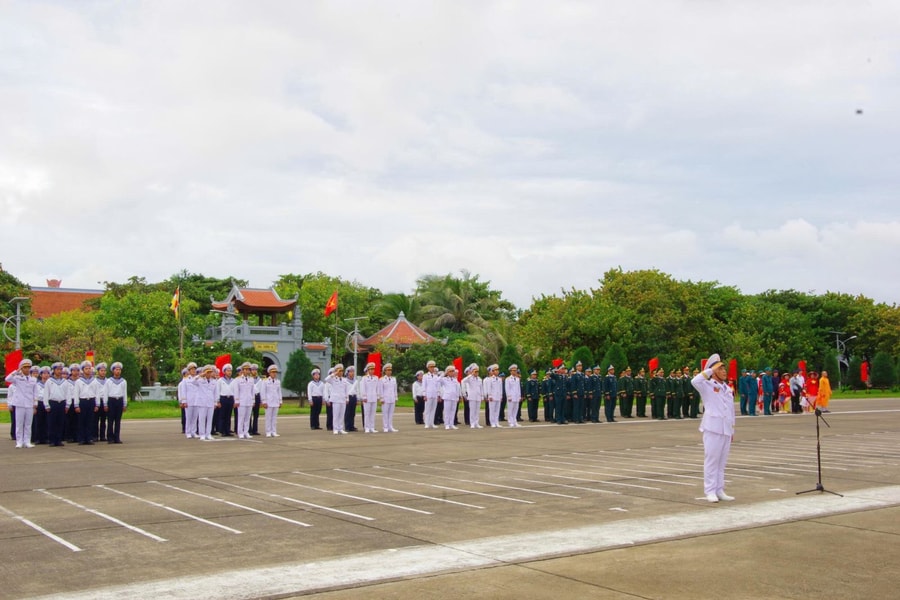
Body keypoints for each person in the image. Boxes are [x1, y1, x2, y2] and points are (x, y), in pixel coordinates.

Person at [692, 353, 736, 503]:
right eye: (720, 369)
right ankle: (710, 491)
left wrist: (732, 430)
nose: (724, 371)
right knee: (712, 461)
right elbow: (694, 381)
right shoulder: (707, 386)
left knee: (721, 463)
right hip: (712, 428)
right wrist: (711, 370)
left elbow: (731, 411)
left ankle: (719, 490)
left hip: (725, 429)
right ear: (714, 371)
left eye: (724, 368)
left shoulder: (727, 388)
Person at [5, 358, 38, 448]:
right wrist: (17, 371)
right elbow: (7, 379)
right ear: (21, 368)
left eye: (28, 367)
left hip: (29, 404)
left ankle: (27, 441)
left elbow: (35, 392)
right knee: (19, 424)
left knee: (28, 424)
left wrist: (35, 404)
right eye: (25, 368)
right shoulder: (17, 378)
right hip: (20, 403)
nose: (27, 369)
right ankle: (19, 442)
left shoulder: (33, 379)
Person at [74, 361, 101, 444]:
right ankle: (82, 438)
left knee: (90, 421)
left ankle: (89, 438)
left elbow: (97, 393)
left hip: (91, 401)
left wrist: (97, 404)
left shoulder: (95, 381)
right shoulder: (79, 381)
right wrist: (76, 405)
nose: (88, 370)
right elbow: (76, 394)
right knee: (81, 421)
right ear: (83, 370)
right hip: (83, 401)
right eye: (86, 368)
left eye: (89, 368)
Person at [44, 362, 69, 447]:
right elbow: (46, 394)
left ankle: (58, 440)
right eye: (57, 369)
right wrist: (46, 405)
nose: (59, 371)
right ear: (54, 370)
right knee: (52, 422)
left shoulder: (65, 381)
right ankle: (52, 440)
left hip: (61, 403)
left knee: (60, 422)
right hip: (53, 402)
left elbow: (68, 394)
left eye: (61, 369)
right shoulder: (49, 381)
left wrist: (67, 405)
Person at [105, 361, 127, 443]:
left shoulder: (123, 381)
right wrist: (105, 404)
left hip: (119, 400)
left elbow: (124, 393)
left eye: (119, 370)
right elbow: (106, 393)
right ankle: (110, 437)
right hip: (111, 400)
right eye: (116, 369)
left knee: (118, 421)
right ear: (113, 371)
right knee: (110, 420)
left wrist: (124, 404)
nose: (118, 371)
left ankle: (117, 437)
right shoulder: (109, 381)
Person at [234, 363, 256, 439]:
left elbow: (252, 391)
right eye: (245, 369)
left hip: (249, 400)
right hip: (241, 401)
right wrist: (236, 401)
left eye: (248, 370)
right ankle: (240, 432)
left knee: (248, 417)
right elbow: (236, 391)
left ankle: (246, 432)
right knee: (241, 417)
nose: (247, 371)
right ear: (242, 370)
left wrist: (253, 400)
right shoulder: (238, 379)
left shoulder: (251, 379)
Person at [260, 365, 283, 437]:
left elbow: (279, 392)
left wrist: (280, 401)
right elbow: (263, 392)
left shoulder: (278, 381)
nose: (274, 374)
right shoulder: (265, 381)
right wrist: (264, 402)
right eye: (273, 372)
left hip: (275, 401)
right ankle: (268, 431)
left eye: (275, 372)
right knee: (268, 418)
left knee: (274, 418)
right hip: (268, 402)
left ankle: (274, 431)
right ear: (269, 373)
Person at [327, 365, 350, 435]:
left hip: (342, 399)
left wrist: (347, 398)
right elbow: (326, 379)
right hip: (336, 399)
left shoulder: (344, 380)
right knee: (336, 415)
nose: (341, 372)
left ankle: (340, 428)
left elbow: (346, 390)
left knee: (341, 415)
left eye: (342, 371)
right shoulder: (333, 379)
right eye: (339, 371)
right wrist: (334, 373)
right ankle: (335, 429)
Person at [359, 362, 380, 433]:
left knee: (373, 413)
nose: (372, 371)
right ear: (368, 370)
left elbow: (377, 388)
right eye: (370, 369)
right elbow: (363, 388)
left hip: (374, 397)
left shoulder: (376, 378)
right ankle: (367, 427)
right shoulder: (364, 378)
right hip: (367, 398)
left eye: (373, 369)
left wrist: (378, 396)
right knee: (367, 413)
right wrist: (364, 397)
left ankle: (372, 427)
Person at [462, 364, 483, 429]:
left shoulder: (479, 379)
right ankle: (472, 423)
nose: (476, 372)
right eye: (475, 371)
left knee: (477, 411)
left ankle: (476, 423)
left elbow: (481, 388)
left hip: (478, 396)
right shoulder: (470, 378)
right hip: (472, 397)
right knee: (472, 410)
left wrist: (482, 396)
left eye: (477, 371)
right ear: (472, 371)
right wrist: (471, 375)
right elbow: (463, 381)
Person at [440, 365, 462, 429]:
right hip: (447, 397)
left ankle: (451, 424)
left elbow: (457, 389)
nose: (452, 372)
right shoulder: (444, 379)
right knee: (447, 411)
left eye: (453, 371)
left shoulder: (455, 380)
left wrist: (457, 397)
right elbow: (438, 380)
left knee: (453, 411)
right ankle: (447, 424)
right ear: (448, 372)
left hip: (454, 397)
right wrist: (444, 374)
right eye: (451, 371)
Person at [216, 364, 236, 436]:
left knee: (228, 415)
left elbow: (235, 391)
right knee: (222, 415)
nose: (229, 372)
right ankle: (222, 430)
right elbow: (217, 391)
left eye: (230, 371)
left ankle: (227, 430)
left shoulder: (233, 381)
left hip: (230, 398)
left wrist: (235, 401)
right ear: (224, 372)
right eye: (228, 371)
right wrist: (218, 401)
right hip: (223, 398)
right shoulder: (220, 380)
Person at [422, 360, 441, 429]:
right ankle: (427, 423)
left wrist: (438, 395)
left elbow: (438, 386)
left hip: (434, 395)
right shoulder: (425, 376)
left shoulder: (436, 376)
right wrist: (424, 395)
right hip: (428, 395)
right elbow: (424, 386)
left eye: (433, 367)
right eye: (431, 367)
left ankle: (431, 423)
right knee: (427, 409)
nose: (432, 368)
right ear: (428, 368)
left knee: (433, 409)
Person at [379, 363, 399, 432]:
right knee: (385, 413)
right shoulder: (382, 379)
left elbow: (395, 389)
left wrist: (396, 397)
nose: (389, 371)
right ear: (385, 371)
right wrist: (381, 398)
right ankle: (385, 427)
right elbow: (380, 390)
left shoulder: (393, 379)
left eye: (390, 370)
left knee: (391, 414)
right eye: (388, 370)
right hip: (385, 399)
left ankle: (390, 426)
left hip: (392, 398)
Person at [344, 365, 360, 432]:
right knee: (347, 412)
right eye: (350, 372)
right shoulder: (345, 381)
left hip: (354, 397)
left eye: (353, 372)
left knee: (353, 413)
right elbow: (344, 390)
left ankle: (351, 426)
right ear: (347, 373)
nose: (352, 373)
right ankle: (347, 426)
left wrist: (358, 399)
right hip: (348, 397)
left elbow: (357, 390)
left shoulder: (355, 381)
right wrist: (345, 398)